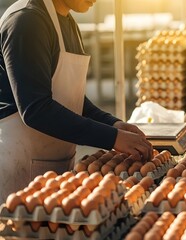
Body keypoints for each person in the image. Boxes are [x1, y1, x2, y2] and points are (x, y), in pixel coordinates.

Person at [0, 0, 153, 203]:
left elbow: (70, 96)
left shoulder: (68, 22)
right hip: (18, 169)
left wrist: (113, 124)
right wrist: (111, 137)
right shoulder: (27, 21)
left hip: (54, 167)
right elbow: (36, 109)